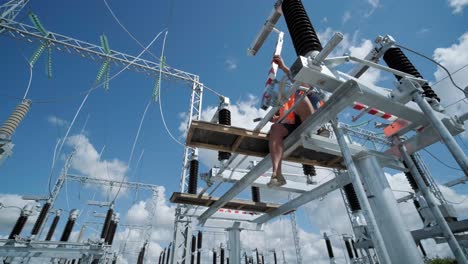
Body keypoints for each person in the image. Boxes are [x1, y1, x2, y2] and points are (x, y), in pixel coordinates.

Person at [267, 55, 326, 187]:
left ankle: (316, 129)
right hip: (295, 125)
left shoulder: (313, 91)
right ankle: (277, 174)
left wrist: (283, 67)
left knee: (298, 92)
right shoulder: (290, 97)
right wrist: (276, 118)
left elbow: (296, 79)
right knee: (275, 128)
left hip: (311, 120)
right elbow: (287, 115)